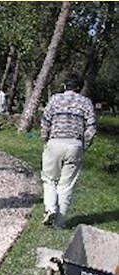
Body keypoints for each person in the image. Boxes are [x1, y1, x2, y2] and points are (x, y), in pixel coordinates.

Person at [40, 73, 97, 228]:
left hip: (55, 142)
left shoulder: (55, 99)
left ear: (65, 86)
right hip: (75, 144)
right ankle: (60, 223)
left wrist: (45, 140)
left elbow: (45, 122)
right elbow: (91, 127)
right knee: (66, 184)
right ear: (79, 88)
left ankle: (50, 209)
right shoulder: (86, 103)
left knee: (49, 179)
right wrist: (83, 145)